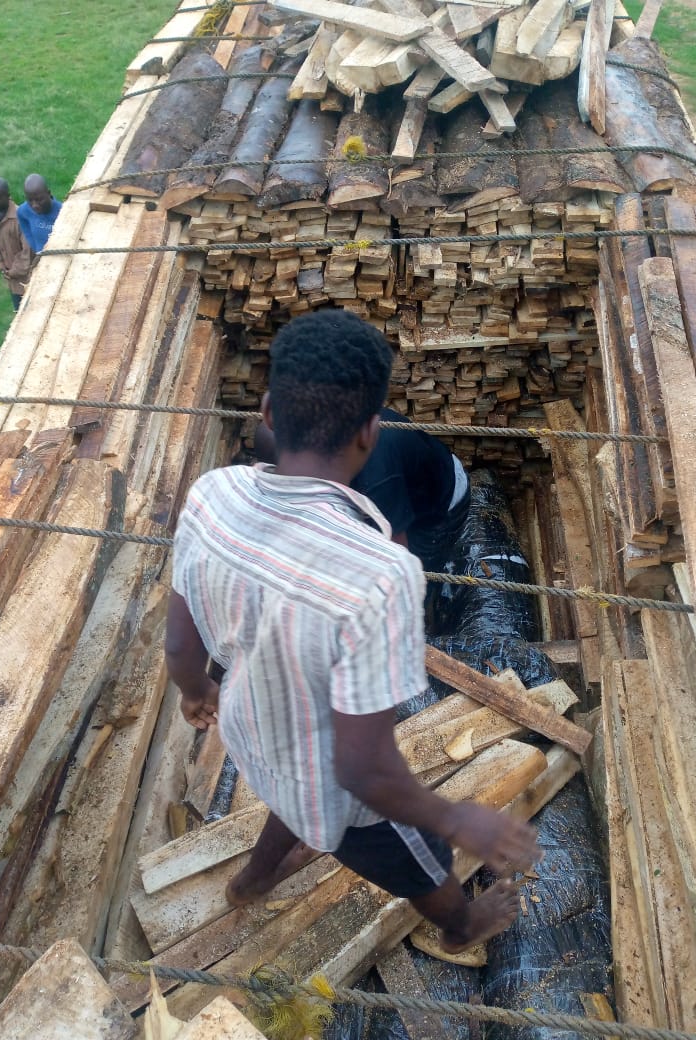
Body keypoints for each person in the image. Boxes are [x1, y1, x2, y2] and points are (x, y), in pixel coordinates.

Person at [167, 309, 539, 955]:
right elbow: (364, 772)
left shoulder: (211, 493)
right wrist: (455, 818)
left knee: (291, 792)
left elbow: (180, 643)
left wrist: (195, 690)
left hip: (250, 732)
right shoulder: (381, 575)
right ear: (371, 432)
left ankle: (252, 881)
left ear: (268, 414)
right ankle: (459, 927)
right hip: (346, 790)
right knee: (419, 863)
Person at [254, 406, 470, 571]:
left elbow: (397, 557)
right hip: (401, 483)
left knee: (418, 578)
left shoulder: (375, 474)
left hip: (436, 509)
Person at [0, 177, 33, 310]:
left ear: (8, 196)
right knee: (18, 311)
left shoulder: (20, 218)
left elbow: (27, 251)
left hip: (26, 278)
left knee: (29, 311)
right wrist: (0, 263)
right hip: (10, 278)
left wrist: (13, 272)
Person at [16, 173, 62, 254]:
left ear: (49, 193)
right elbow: (23, 220)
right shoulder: (24, 210)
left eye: (39, 200)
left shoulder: (63, 212)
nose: (34, 205)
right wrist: (35, 247)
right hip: (42, 259)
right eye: (30, 200)